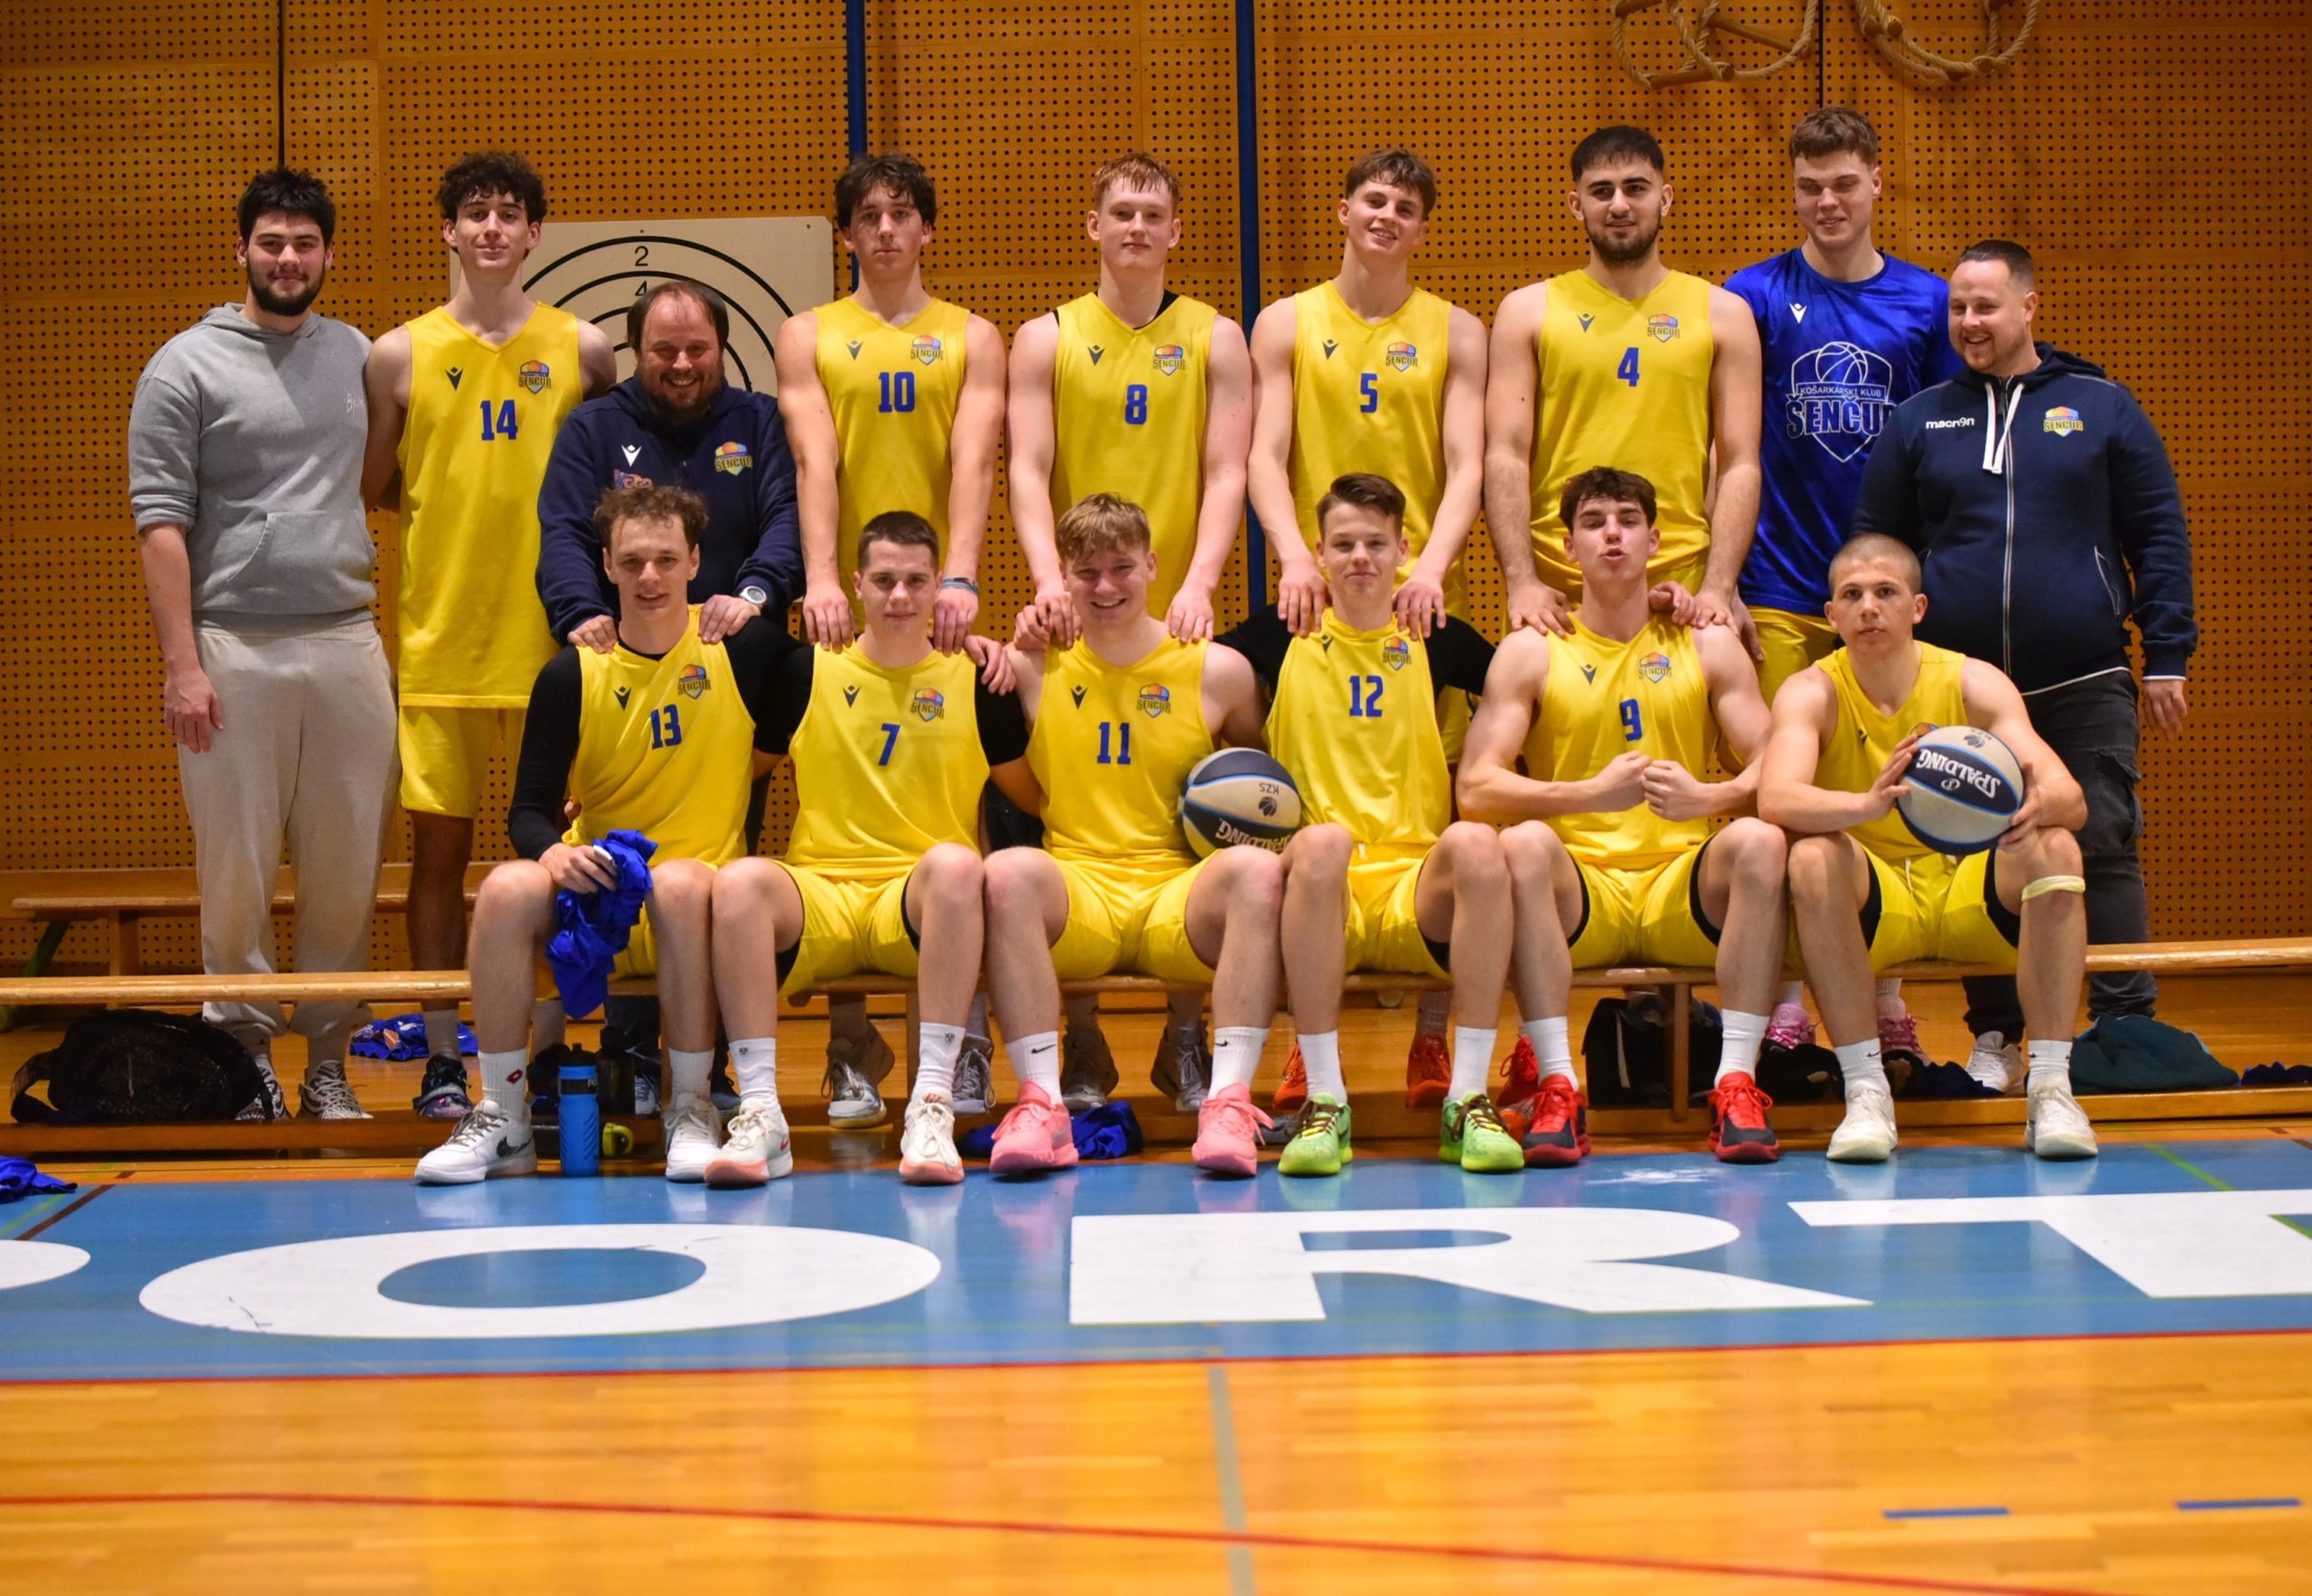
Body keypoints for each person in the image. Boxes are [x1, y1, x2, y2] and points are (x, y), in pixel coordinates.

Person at [1852, 239, 2195, 1091]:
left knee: (2103, 837)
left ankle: (2125, 1027)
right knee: (1971, 845)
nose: (1969, 322)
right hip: (1960, 680)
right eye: (1958, 308)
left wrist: (2168, 654)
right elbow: (1878, 547)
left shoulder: (2102, 406)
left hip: (2083, 672)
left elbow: (2157, 531)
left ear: (2029, 307)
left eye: (1986, 306)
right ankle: (1998, 1035)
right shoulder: (1919, 419)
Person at [417, 484, 795, 1186]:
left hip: (698, 904)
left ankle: (690, 1107)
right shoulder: (571, 672)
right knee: (504, 888)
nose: (650, 576)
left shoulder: (744, 652)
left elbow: (849, 675)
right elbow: (528, 811)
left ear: (695, 562)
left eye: (666, 559)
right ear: (607, 566)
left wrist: (759, 600)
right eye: (632, 561)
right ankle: (504, 1118)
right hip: (603, 901)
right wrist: (554, 852)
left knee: (678, 882)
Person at [128, 169, 396, 1121]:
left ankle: (327, 1065)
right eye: (272, 242)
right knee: (235, 874)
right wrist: (183, 667)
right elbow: (160, 523)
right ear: (240, 248)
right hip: (232, 648)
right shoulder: (183, 367)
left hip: (347, 639)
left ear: (328, 254)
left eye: (305, 244)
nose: (288, 259)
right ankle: (242, 1067)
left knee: (346, 871)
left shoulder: (359, 355)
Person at [363, 152, 615, 1119]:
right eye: (476, 213)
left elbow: (606, 487)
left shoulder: (584, 348)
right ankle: (440, 1055)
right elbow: (377, 484)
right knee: (437, 859)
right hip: (443, 643)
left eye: (511, 213)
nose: (493, 228)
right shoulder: (398, 354)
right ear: (450, 230)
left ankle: (543, 1050)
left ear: (536, 233)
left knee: (558, 858)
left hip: (559, 646)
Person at [1007, 153, 1254, 1109]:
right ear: (1094, 226)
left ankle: (1187, 1035)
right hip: (1084, 593)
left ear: (1176, 230)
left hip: (1173, 606)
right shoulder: (1047, 335)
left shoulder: (1216, 336)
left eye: (1154, 213)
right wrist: (1047, 581)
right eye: (1121, 212)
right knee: (1079, 811)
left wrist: (1200, 582)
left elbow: (1226, 471)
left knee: (1186, 807)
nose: (1138, 227)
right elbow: (1029, 469)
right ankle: (1081, 1039)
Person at [1245, 149, 1491, 1097]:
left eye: (1406, 207)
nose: (1387, 216)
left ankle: (1434, 1036)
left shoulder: (1456, 329)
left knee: (1438, 802)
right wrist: (1292, 556)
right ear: (1344, 210)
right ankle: (1306, 1051)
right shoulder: (1286, 321)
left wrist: (1431, 567)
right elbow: (1265, 455)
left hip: (1417, 593)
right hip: (1319, 586)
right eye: (1373, 200)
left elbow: (1466, 465)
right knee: (1311, 807)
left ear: (1423, 228)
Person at [1723, 106, 1962, 1068]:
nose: (1827, 202)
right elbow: (1728, 443)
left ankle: (1887, 998)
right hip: (1781, 582)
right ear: (1793, 191)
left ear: (1876, 183)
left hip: (1881, 593)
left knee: (1892, 787)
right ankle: (1787, 1002)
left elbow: (1943, 450)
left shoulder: (1927, 302)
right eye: (1809, 186)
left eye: (1844, 184)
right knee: (1783, 798)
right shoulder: (1751, 295)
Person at [1461, 468, 1790, 1166]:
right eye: (1593, 522)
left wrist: (1713, 798)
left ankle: (1736, 1082)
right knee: (1522, 844)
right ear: (1567, 547)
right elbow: (1476, 788)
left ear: (1655, 540)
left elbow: (1778, 762)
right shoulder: (1531, 649)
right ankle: (1558, 1085)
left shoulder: (1706, 641)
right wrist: (1586, 794)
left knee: (1761, 840)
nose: (1612, 534)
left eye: (1627, 520)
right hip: (1582, 892)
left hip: (1680, 885)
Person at [774, 153, 1008, 1124]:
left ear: (927, 230)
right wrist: (822, 578)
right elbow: (813, 459)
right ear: (846, 233)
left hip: (933, 595)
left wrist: (960, 576)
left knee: (959, 807)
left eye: (902, 214)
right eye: (867, 216)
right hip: (850, 601)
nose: (884, 230)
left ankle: (961, 1044)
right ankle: (849, 1046)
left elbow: (973, 462)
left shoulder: (973, 335)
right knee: (838, 803)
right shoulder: (808, 333)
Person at [536, 277, 803, 1112]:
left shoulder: (759, 421)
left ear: (721, 347)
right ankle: (632, 1050)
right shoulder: (593, 428)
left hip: (727, 678)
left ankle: (707, 1066)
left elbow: (787, 519)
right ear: (635, 351)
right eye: (663, 350)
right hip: (623, 670)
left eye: (697, 349)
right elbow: (563, 532)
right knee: (622, 851)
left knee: (715, 875)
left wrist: (753, 594)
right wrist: (579, 614)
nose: (682, 364)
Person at [1758, 534, 2100, 1162]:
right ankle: (1866, 1090)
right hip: (1878, 899)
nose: (1868, 607)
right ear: (1830, 616)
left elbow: (2071, 798)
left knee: (2056, 847)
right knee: (1809, 857)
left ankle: (2052, 1088)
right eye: (1852, 595)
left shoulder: (1973, 681)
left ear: (1917, 607)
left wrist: (2034, 808)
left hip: (1966, 890)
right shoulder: (1811, 690)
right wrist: (1867, 805)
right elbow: (1776, 799)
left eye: (1885, 592)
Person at [982, 495, 1282, 1178]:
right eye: (1086, 572)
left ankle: (1228, 1102)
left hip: (1178, 894)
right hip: (1080, 887)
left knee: (1258, 871)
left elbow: (1262, 778)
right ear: (1061, 576)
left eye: (1121, 567)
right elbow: (999, 750)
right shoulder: (1028, 665)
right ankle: (1042, 1103)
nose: (1106, 586)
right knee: (1006, 872)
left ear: (1152, 565)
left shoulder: (1218, 670)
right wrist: (987, 643)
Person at [1218, 476, 1510, 1176]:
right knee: (1322, 844)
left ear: (1404, 550)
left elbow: (1534, 678)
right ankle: (1326, 1100)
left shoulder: (1434, 632)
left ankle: (1468, 1098)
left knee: (1477, 842)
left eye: (1376, 544)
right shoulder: (1282, 631)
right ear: (1316, 552)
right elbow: (1184, 664)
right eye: (1343, 543)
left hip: (1414, 885)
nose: (1359, 558)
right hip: (1321, 887)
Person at [743, 512, 1036, 1181]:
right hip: (821, 895)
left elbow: (1035, 795)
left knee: (959, 865)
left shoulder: (976, 678)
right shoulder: (805, 671)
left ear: (940, 586)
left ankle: (930, 1104)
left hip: (919, 903)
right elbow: (739, 773)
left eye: (914, 580)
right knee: (740, 883)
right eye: (883, 581)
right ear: (856, 585)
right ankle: (761, 1114)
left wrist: (1029, 668)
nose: (899, 596)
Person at [1484, 126, 1763, 654]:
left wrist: (1721, 587)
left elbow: (1739, 463)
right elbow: (1505, 455)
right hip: (1559, 593)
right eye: (1601, 191)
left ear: (1665, 198)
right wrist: (1521, 581)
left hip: (1681, 587)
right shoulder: (1526, 312)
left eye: (1636, 188)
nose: (1619, 205)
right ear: (1576, 204)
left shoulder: (1724, 314)